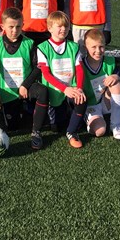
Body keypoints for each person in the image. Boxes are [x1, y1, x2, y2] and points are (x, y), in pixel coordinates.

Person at [0, 7, 49, 150]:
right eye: (10, 27)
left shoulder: (29, 43)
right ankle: (21, 108)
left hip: (26, 89)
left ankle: (36, 132)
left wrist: (25, 84)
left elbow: (38, 67)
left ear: (23, 25)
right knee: (13, 127)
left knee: (43, 91)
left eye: (18, 26)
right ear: (2, 26)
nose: (14, 30)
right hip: (7, 93)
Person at [36, 11, 87, 148]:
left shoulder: (73, 46)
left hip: (72, 87)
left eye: (66, 26)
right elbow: (46, 74)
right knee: (56, 126)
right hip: (55, 90)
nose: (63, 29)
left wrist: (79, 88)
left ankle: (72, 132)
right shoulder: (42, 48)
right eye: (59, 26)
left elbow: (79, 69)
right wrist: (65, 89)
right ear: (49, 28)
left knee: (81, 99)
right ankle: (64, 114)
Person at [81, 29, 120, 140]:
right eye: (93, 47)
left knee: (117, 83)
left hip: (106, 101)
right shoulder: (80, 64)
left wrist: (116, 77)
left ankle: (116, 125)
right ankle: (88, 118)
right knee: (100, 131)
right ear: (85, 47)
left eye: (101, 46)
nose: (98, 51)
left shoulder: (109, 61)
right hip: (90, 104)